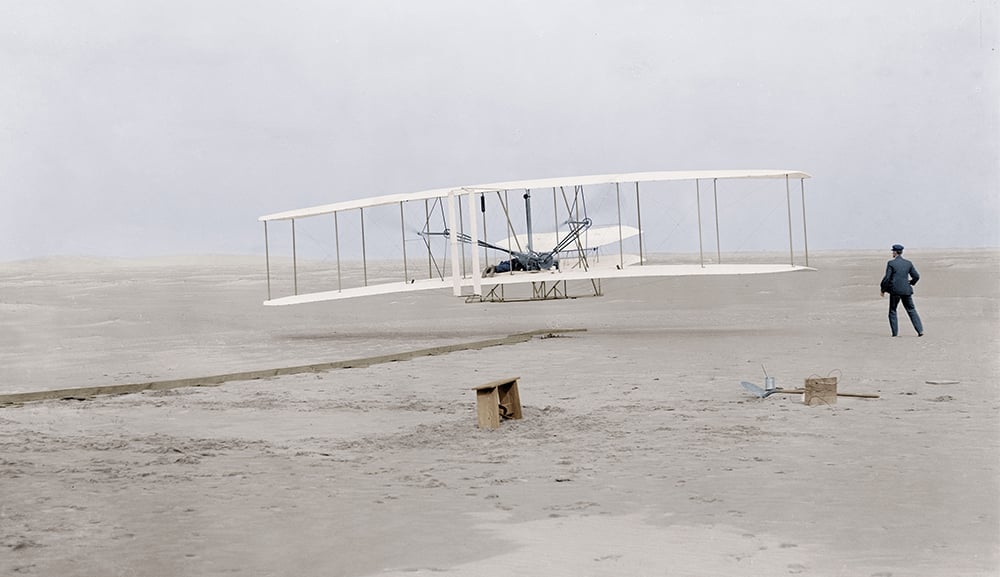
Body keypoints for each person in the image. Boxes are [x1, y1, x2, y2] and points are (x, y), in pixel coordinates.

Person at [880, 244, 924, 337]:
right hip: (906, 290)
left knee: (892, 310)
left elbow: (887, 278)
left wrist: (883, 289)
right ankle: (920, 331)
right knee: (911, 310)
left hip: (895, 291)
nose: (892, 253)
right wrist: (911, 282)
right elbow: (916, 276)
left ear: (895, 252)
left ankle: (895, 333)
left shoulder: (891, 263)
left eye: (893, 251)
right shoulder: (908, 263)